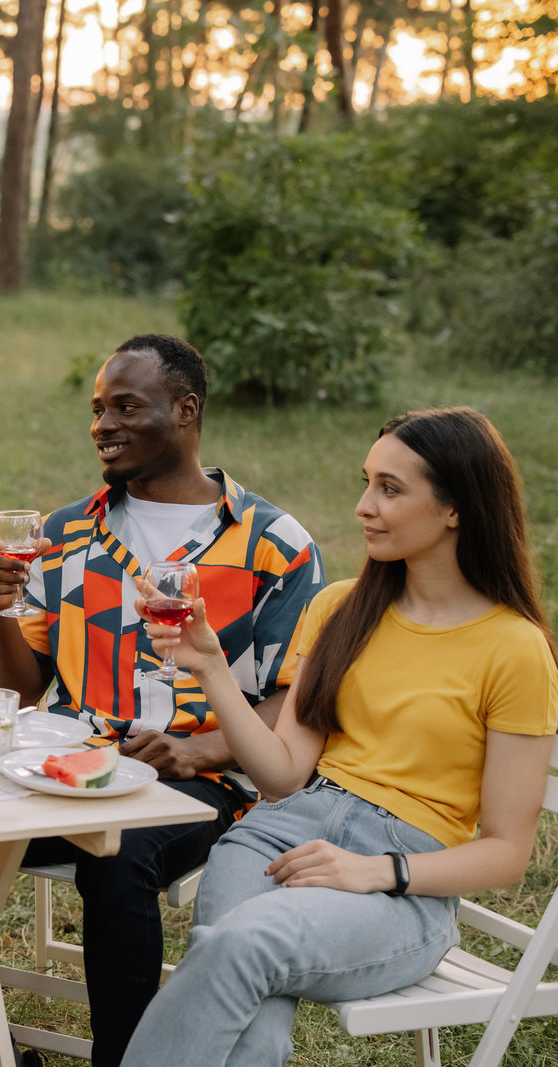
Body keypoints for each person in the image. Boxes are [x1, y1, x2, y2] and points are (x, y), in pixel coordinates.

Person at [0, 334, 325, 1067]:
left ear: (186, 409)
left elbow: (294, 700)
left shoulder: (275, 544)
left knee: (118, 858)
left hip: (205, 785)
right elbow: (19, 690)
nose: (103, 425)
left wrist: (201, 748)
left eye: (125, 406)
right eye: (96, 409)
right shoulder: (64, 532)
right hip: (63, 769)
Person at [121, 407, 558, 1066]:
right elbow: (282, 774)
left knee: (238, 945)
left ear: (456, 509)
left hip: (401, 884)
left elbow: (505, 853)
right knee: (248, 999)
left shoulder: (514, 649)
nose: (363, 506)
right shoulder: (340, 610)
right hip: (276, 836)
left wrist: (371, 870)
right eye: (367, 481)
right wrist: (210, 664)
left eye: (391, 488)